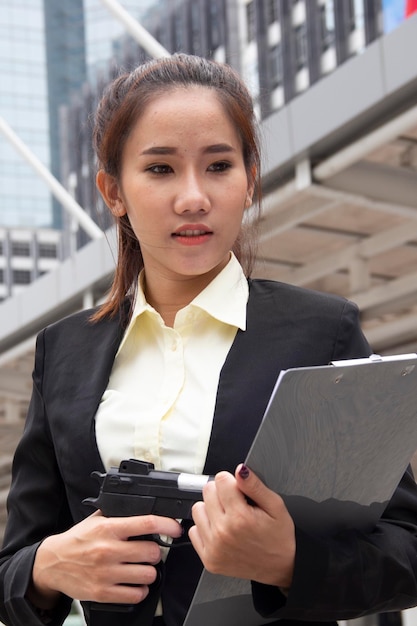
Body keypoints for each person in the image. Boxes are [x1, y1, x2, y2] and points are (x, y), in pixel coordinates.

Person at [1, 52, 417, 626]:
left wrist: (290, 562)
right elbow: (13, 567)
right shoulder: (63, 351)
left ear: (249, 182)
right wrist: (48, 566)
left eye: (218, 166)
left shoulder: (323, 333)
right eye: (160, 169)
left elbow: (405, 549)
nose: (193, 197)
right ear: (112, 191)